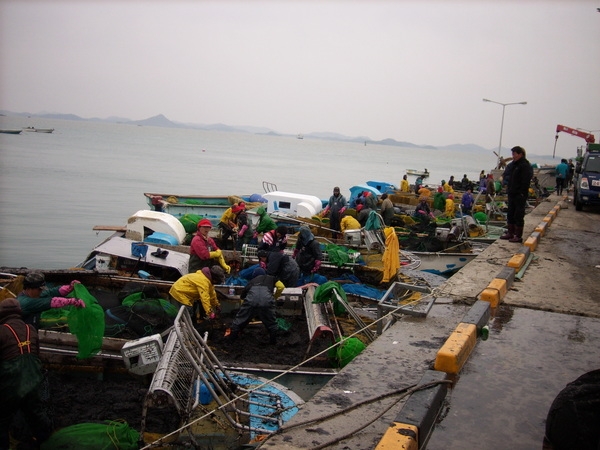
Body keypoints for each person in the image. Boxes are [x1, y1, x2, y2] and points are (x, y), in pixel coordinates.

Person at [0, 298, 54, 448]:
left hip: (10, 385)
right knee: (36, 415)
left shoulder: (2, 331)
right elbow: (37, 356)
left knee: (2, 420)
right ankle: (46, 442)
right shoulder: (31, 329)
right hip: (33, 382)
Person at [226, 268, 284, 345]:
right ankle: (273, 343)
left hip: (251, 301)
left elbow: (242, 297)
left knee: (239, 321)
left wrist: (246, 312)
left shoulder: (251, 282)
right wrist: (274, 298)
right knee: (271, 323)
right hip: (266, 301)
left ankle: (230, 341)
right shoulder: (271, 278)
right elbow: (281, 287)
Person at [17, 272, 85, 328]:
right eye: (39, 289)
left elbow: (51, 292)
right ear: (29, 288)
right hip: (24, 333)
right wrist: (72, 301)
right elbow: (49, 302)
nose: (41, 291)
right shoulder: (24, 302)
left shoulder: (34, 294)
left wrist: (69, 287)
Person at [500, 146, 533, 243]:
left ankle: (518, 235)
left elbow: (525, 180)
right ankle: (510, 232)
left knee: (518, 214)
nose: (513, 156)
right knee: (510, 213)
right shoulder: (513, 165)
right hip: (512, 192)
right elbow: (507, 173)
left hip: (520, 193)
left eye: (514, 154)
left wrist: (522, 192)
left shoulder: (525, 165)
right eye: (512, 154)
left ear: (520, 154)